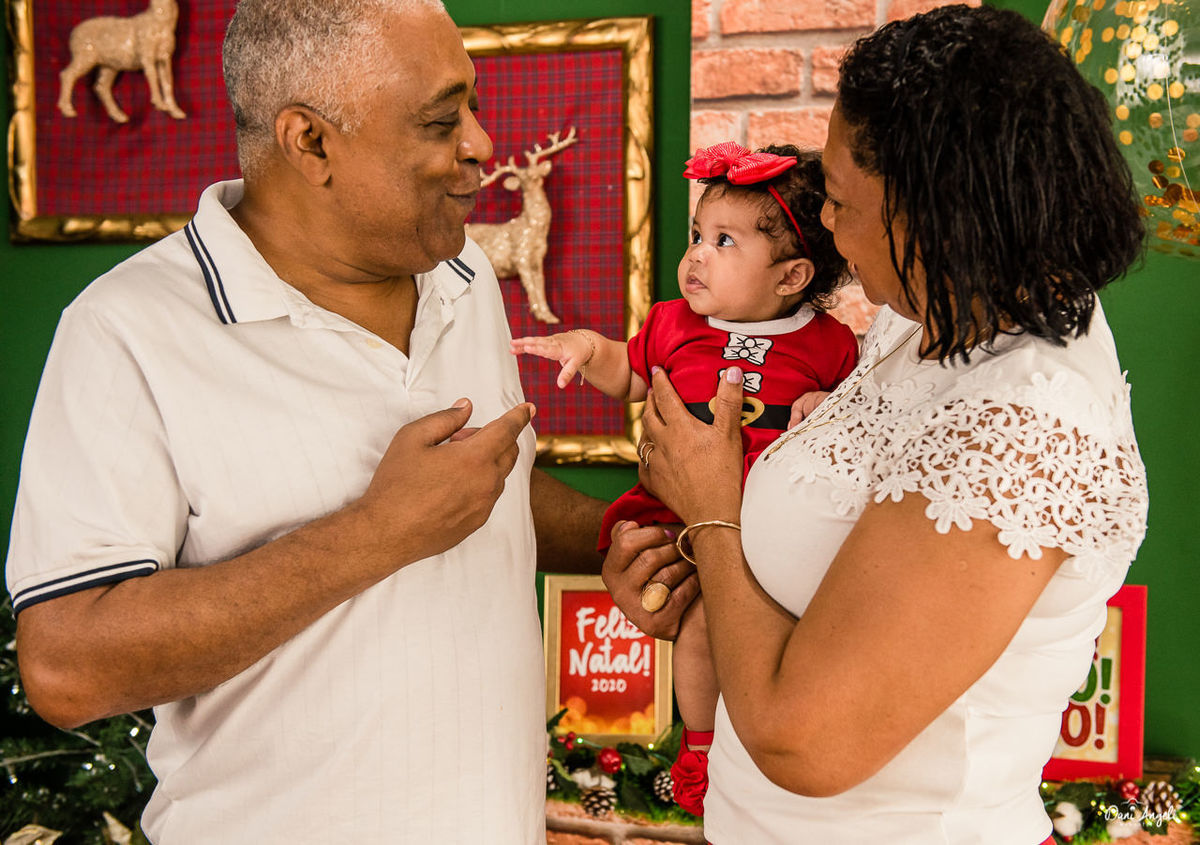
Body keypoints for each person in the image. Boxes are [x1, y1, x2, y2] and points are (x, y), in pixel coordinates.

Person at [5, 1, 617, 842]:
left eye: (473, 107)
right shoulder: (125, 330)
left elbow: (478, 484)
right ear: (311, 142)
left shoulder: (466, 272)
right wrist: (377, 533)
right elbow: (64, 667)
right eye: (442, 121)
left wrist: (631, 538)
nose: (480, 143)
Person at [606, 5, 1149, 843]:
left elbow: (805, 740)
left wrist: (710, 511)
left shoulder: (1026, 425)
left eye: (840, 200)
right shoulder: (918, 319)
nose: (825, 223)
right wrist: (685, 575)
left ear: (935, 215)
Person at [511, 142, 857, 813]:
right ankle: (699, 747)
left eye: (724, 242)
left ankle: (758, 741)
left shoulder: (829, 343)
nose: (696, 254)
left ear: (791, 277)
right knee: (699, 628)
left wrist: (824, 404)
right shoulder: (672, 323)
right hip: (676, 521)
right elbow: (628, 372)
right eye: (698, 234)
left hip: (766, 528)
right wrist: (586, 347)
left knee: (769, 628)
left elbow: (854, 414)